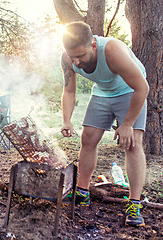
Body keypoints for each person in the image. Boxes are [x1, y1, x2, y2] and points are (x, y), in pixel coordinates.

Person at [60, 22, 149, 227]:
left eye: (80, 55)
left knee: (133, 143)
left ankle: (134, 203)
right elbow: (69, 91)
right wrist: (66, 120)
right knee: (88, 138)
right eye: (72, 56)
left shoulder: (112, 50)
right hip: (102, 91)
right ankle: (82, 192)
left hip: (130, 89)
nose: (76, 61)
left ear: (92, 44)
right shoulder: (67, 58)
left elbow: (142, 88)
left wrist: (127, 123)